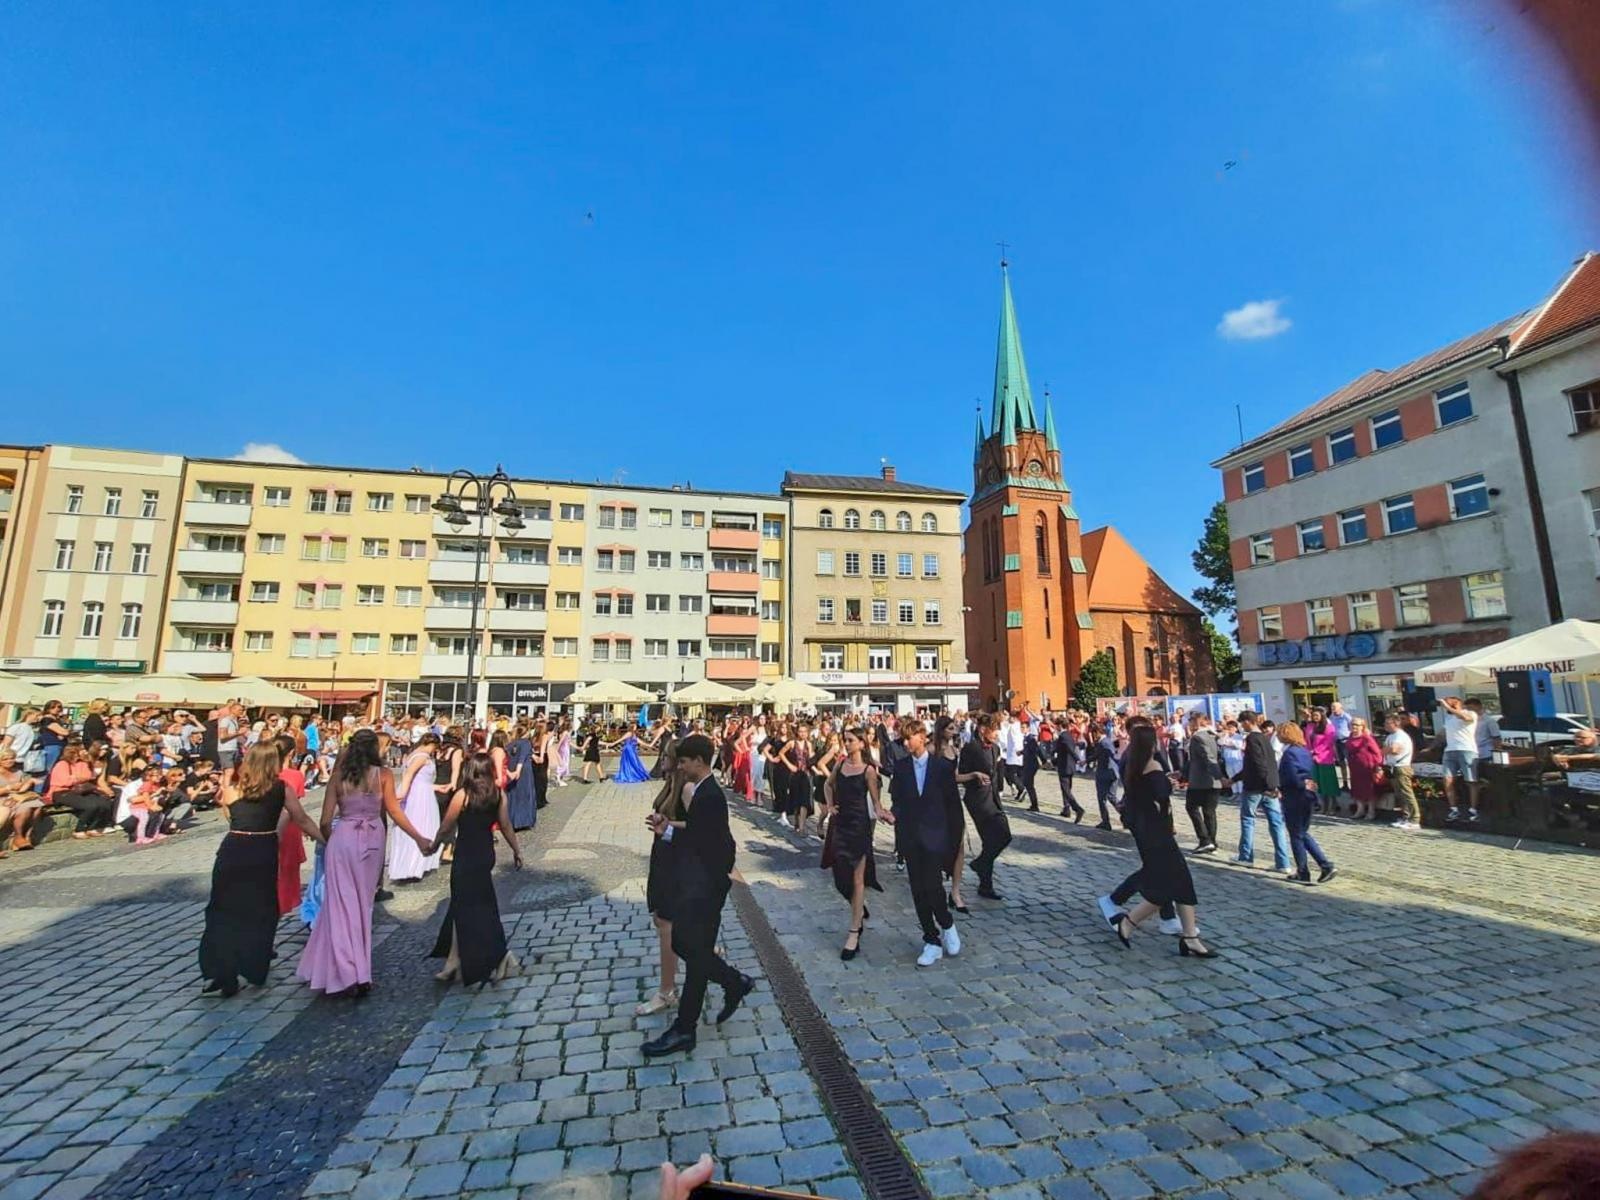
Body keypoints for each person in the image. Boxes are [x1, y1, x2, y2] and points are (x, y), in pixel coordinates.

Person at [641, 734, 753, 1057]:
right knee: (688, 947)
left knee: (693, 950)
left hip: (706, 886)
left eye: (685, 761)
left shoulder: (709, 796)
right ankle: (733, 983)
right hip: (701, 883)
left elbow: (705, 842)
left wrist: (669, 833)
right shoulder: (705, 793)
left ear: (700, 762)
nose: (681, 766)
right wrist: (669, 827)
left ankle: (685, 1028)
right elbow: (699, 831)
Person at [299, 731, 432, 997]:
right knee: (363, 906)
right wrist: (418, 838)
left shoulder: (338, 777)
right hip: (372, 839)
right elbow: (394, 811)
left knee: (338, 905)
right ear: (374, 749)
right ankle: (359, 971)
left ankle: (342, 967)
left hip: (343, 838)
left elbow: (325, 821)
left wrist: (333, 842)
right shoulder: (382, 775)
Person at [200, 742, 323, 997]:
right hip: (262, 848)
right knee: (260, 908)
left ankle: (221, 970)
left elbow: (231, 817)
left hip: (233, 847)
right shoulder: (281, 788)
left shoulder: (233, 787)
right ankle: (253, 964)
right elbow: (301, 818)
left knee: (223, 909)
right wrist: (325, 840)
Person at [1101, 723, 1215, 959]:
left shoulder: (1133, 765)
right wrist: (1169, 782)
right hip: (1157, 833)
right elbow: (1161, 796)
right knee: (1168, 885)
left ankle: (1190, 937)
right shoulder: (1151, 766)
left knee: (1181, 881)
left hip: (1147, 832)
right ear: (1151, 743)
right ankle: (1128, 923)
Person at [429, 752, 523, 985]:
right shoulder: (498, 794)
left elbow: (446, 826)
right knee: (463, 903)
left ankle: (499, 953)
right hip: (484, 854)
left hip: (466, 854)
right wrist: (516, 850)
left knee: (470, 905)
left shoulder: (463, 795)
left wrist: (433, 846)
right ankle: (453, 960)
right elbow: (506, 824)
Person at [888, 718, 962, 969]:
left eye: (910, 738)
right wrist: (893, 814)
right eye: (904, 739)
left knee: (933, 886)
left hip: (935, 836)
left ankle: (947, 922)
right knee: (918, 889)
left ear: (923, 736)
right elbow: (897, 798)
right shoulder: (901, 767)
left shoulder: (941, 768)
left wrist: (954, 841)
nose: (906, 743)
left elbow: (953, 806)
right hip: (910, 836)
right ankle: (931, 939)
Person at [822, 727, 883, 960]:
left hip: (859, 828)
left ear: (861, 743)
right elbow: (828, 785)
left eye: (850, 741)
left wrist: (884, 813)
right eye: (844, 740)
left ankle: (854, 931)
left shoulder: (868, 771)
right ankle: (858, 908)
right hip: (841, 825)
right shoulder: (840, 765)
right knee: (840, 877)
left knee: (858, 880)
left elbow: (876, 803)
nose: (846, 744)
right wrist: (829, 805)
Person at [639, 740, 685, 1014]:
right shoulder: (669, 784)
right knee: (663, 919)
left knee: (666, 923)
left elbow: (698, 828)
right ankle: (705, 951)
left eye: (666, 755)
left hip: (675, 861)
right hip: (662, 856)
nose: (661, 759)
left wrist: (667, 828)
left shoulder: (686, 791)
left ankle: (666, 990)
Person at [957, 714, 1010, 901]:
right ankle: (986, 885)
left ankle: (980, 865)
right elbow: (961, 774)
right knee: (990, 839)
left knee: (1004, 836)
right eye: (994, 729)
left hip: (993, 798)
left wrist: (1000, 793)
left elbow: (997, 774)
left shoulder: (995, 749)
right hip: (978, 800)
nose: (997, 733)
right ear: (982, 729)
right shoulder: (970, 749)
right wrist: (974, 775)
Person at [1277, 723, 1336, 884]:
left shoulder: (1289, 753)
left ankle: (1308, 869)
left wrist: (1278, 786)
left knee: (1296, 834)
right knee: (1302, 832)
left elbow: (1291, 777)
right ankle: (1323, 866)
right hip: (1307, 795)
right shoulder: (1303, 751)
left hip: (1295, 796)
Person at [1233, 711, 1291, 870]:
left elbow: (1256, 764)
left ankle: (1245, 856)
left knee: (1248, 820)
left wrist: (1265, 784)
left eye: (1241, 722)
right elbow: (1272, 763)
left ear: (1246, 722)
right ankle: (1283, 863)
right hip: (1271, 786)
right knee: (1276, 824)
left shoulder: (1252, 738)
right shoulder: (1266, 739)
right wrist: (1273, 785)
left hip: (1256, 787)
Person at [389, 732, 443, 882]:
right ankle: (413, 865)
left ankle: (414, 864)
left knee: (418, 824)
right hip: (419, 796)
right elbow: (409, 775)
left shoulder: (414, 753)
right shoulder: (421, 757)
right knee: (421, 825)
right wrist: (403, 791)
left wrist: (436, 787)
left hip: (421, 792)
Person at [47, 745, 115, 837]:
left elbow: (88, 776)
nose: (85, 752)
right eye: (82, 750)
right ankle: (79, 829)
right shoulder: (62, 764)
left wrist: (75, 778)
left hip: (81, 790)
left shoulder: (82, 764)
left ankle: (93, 827)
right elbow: (65, 782)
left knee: (104, 803)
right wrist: (77, 779)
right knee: (90, 806)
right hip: (61, 792)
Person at [275, 734, 309, 916]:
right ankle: (286, 901)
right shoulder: (295, 776)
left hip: (269, 822)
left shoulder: (266, 774)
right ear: (291, 753)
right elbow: (296, 808)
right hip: (290, 826)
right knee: (289, 866)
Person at [1184, 712, 1224, 853]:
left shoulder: (1198, 737)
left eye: (1191, 721)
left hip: (1201, 781)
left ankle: (1205, 839)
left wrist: (1219, 776)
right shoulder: (1211, 735)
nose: (1189, 724)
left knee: (1192, 807)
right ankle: (1211, 842)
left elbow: (1208, 757)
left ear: (1197, 722)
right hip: (1211, 781)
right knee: (1209, 812)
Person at [1439, 696, 1480, 822]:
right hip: (1450, 750)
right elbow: (1442, 734)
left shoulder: (1470, 713)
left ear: (1457, 703)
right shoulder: (1449, 717)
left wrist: (1448, 706)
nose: (1445, 703)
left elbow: (1466, 718)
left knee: (1471, 780)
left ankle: (1473, 809)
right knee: (1447, 780)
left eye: (1448, 701)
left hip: (1466, 749)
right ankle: (1454, 809)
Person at [1383, 713, 1420, 830]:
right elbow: (1389, 749)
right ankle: (1405, 817)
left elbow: (1394, 750)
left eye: (1388, 723)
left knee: (1407, 793)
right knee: (1399, 794)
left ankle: (1415, 819)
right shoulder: (1390, 736)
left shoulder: (1400, 736)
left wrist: (1382, 751)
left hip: (1402, 767)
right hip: (1392, 767)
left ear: (1396, 723)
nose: (1385, 725)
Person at [1344, 716, 1385, 821]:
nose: (1354, 727)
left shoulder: (1366, 738)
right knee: (1357, 789)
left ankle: (1371, 811)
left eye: (1357, 725)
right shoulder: (1350, 736)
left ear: (1362, 727)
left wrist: (1378, 765)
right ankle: (1360, 809)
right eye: (1352, 724)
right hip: (1354, 766)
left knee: (1368, 789)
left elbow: (1377, 752)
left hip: (1367, 766)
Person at [1466, 698, 1501, 817]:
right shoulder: (1469, 721)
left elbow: (1496, 738)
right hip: (1472, 753)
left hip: (1486, 753)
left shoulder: (1489, 721)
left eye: (1471, 708)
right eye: (1467, 709)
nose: (1469, 711)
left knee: (1486, 780)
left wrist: (1496, 753)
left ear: (1479, 706)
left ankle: (1491, 805)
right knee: (1473, 781)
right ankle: (1477, 804)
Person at [1303, 708, 1341, 814]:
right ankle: (1323, 804)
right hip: (1312, 757)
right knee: (1317, 782)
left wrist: (1316, 752)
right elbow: (1307, 741)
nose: (1315, 717)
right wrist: (1308, 752)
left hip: (1325, 758)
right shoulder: (1310, 726)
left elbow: (1328, 743)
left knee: (1328, 782)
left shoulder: (1329, 727)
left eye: (1317, 715)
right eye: (1314, 715)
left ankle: (1333, 805)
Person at [1092, 720, 1122, 830]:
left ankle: (1106, 822)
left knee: (1102, 798)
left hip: (1105, 774)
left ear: (1097, 732)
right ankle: (1127, 816)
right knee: (1112, 797)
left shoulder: (1104, 743)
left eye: (1094, 733)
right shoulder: (1107, 741)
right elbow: (1098, 755)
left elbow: (1111, 753)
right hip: (1113, 773)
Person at [505, 723, 536, 830]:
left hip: (511, 768)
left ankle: (511, 819)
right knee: (524, 795)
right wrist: (518, 771)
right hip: (524, 772)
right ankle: (523, 820)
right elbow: (522, 758)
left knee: (513, 795)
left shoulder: (511, 743)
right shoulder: (526, 743)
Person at [1055, 719, 1086, 821]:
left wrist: (1078, 759)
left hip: (1065, 766)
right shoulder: (1069, 734)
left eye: (1057, 725)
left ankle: (1077, 809)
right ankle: (1066, 809)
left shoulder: (1063, 736)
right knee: (1067, 788)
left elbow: (1069, 749)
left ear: (1060, 726)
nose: (1056, 727)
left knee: (1066, 789)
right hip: (1069, 766)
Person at [1328, 700, 1353, 791]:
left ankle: (1353, 783)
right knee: (1341, 763)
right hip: (1337, 742)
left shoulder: (1346, 717)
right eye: (1332, 708)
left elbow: (1352, 727)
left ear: (1340, 708)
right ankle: (1345, 783)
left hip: (1345, 741)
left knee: (1350, 762)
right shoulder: (1331, 717)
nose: (1333, 709)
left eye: (1334, 708)